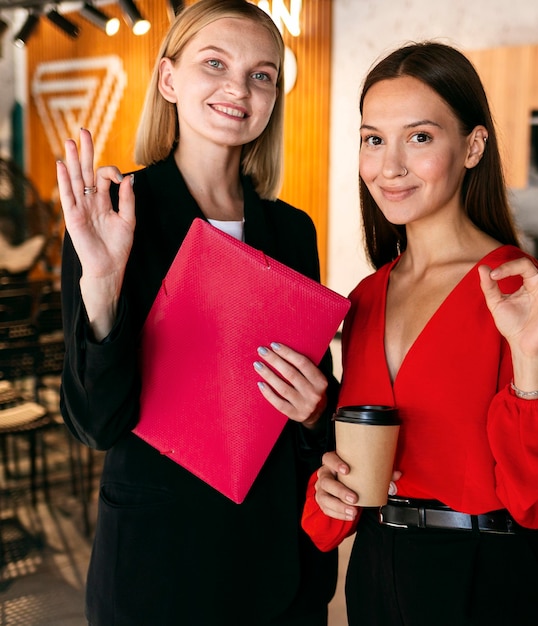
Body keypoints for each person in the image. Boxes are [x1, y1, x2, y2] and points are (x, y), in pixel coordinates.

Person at [56, 1, 338, 624]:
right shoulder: (113, 210)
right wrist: (102, 284)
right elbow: (95, 424)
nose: (239, 88)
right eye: (215, 63)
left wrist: (318, 409)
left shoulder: (292, 231)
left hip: (275, 564)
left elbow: (312, 402)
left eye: (262, 75)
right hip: (158, 567)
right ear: (168, 80)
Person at [302, 42, 538, 626]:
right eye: (372, 139)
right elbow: (355, 463)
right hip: (379, 570)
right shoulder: (364, 297)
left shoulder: (518, 287)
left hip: (488, 579)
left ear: (472, 146)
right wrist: (329, 486)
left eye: (419, 138)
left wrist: (530, 357)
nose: (389, 166)